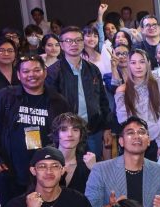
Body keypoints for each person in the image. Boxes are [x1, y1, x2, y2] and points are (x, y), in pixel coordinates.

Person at [0, 55, 72, 207]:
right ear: (18, 75)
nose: (31, 75)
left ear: (45, 72)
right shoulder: (6, 96)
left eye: (36, 70)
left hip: (47, 173)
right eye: (26, 71)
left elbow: (68, 135)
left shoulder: (58, 101)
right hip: (10, 171)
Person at [47, 25, 112, 160]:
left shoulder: (93, 69)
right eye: (69, 41)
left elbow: (103, 101)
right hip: (66, 133)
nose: (74, 44)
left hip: (93, 130)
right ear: (61, 45)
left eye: (78, 40)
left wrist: (107, 128)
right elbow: (50, 106)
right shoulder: (53, 72)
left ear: (83, 43)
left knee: (93, 167)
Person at [115, 49, 160, 161]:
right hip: (132, 142)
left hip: (157, 143)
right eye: (133, 63)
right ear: (128, 65)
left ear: (148, 63)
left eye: (142, 62)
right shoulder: (122, 90)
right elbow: (124, 120)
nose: (138, 66)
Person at [49, 112, 96, 195]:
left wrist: (94, 169)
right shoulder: (44, 160)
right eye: (64, 129)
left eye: (75, 130)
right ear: (57, 133)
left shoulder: (88, 163)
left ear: (81, 135)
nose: (70, 134)